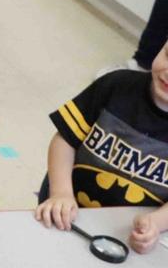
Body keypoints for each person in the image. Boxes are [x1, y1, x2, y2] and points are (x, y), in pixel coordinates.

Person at [34, 38, 168, 253]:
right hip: (64, 213)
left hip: (122, 236)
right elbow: (64, 140)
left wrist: (156, 223)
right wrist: (61, 193)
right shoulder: (116, 85)